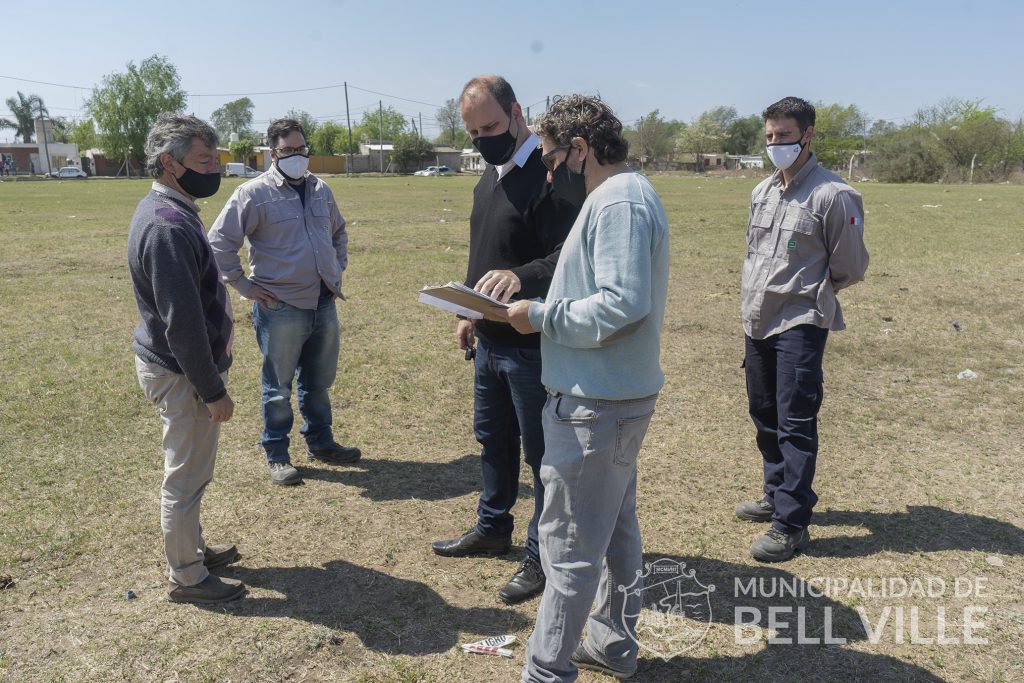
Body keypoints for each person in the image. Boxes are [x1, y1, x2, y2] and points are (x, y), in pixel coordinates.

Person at [504, 94, 670, 683]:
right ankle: (610, 644)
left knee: (568, 546)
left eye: (550, 158)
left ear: (580, 148)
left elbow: (623, 305)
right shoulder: (621, 195)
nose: (549, 171)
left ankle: (547, 671)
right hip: (610, 400)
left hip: (595, 406)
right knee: (616, 531)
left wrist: (541, 315)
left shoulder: (619, 200)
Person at [430, 76, 579, 605]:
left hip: (532, 345)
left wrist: (519, 276)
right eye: (472, 132)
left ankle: (542, 554)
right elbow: (486, 251)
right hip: (489, 342)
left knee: (542, 456)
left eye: (490, 126)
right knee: (492, 441)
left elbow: (568, 255)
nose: (482, 139)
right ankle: (493, 528)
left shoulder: (551, 174)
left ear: (518, 113)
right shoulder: (489, 176)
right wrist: (469, 309)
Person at [735, 96, 869, 562]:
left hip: (799, 323)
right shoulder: (762, 191)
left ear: (807, 134)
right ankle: (777, 493)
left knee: (795, 422)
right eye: (770, 136)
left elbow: (849, 266)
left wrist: (808, 292)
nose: (776, 144)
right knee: (764, 413)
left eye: (785, 136)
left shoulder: (834, 194)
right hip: (757, 321)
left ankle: (791, 524)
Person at [128, 113, 245, 604]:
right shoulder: (167, 226)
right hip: (182, 375)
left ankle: (192, 547)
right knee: (186, 476)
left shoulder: (174, 210)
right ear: (169, 164)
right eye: (203, 161)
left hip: (180, 369)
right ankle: (188, 576)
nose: (213, 170)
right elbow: (183, 325)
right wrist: (212, 390)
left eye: (214, 160)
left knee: (194, 471)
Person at [207, 118, 357, 486]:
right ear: (272, 153)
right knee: (278, 386)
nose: (296, 155)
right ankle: (277, 454)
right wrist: (243, 285)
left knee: (319, 382)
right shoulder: (253, 194)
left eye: (301, 149)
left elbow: (338, 232)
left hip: (323, 302)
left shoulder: (321, 189)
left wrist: (336, 268)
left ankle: (321, 442)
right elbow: (218, 243)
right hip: (280, 306)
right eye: (287, 150)